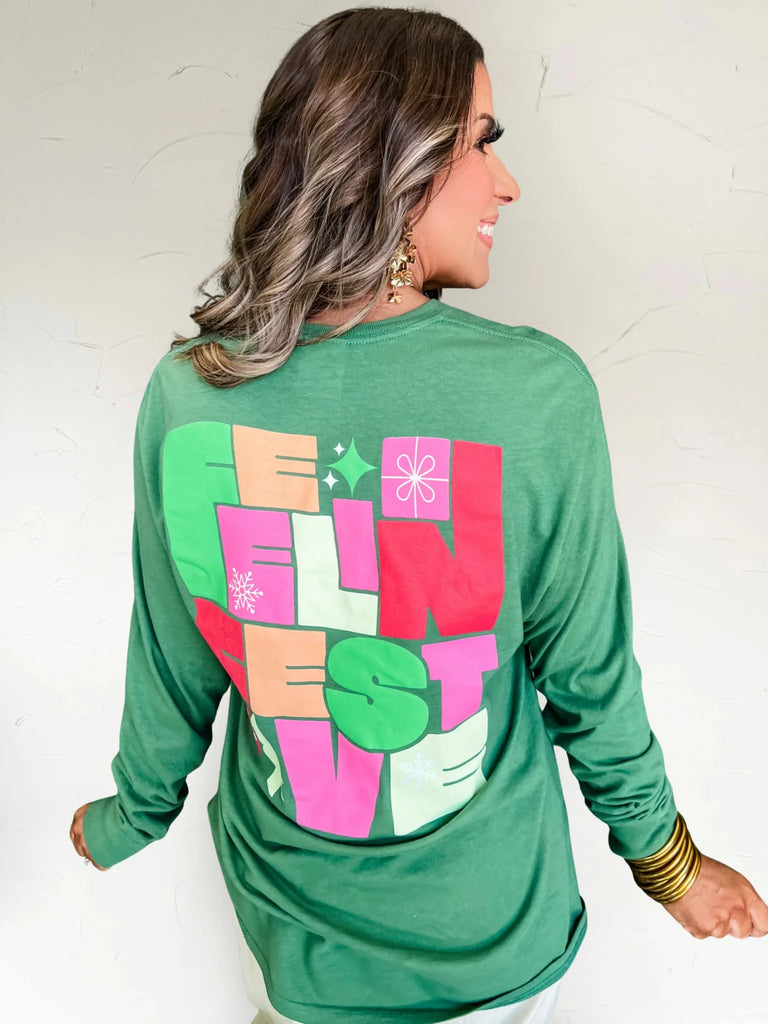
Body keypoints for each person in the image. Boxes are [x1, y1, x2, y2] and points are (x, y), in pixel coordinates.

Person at [70, 7, 768, 1023]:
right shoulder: (534, 395)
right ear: (396, 166)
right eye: (482, 142)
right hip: (485, 937)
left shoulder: (190, 392)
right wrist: (670, 863)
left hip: (289, 935)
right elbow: (587, 677)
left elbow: (173, 655)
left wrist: (132, 813)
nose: (507, 182)